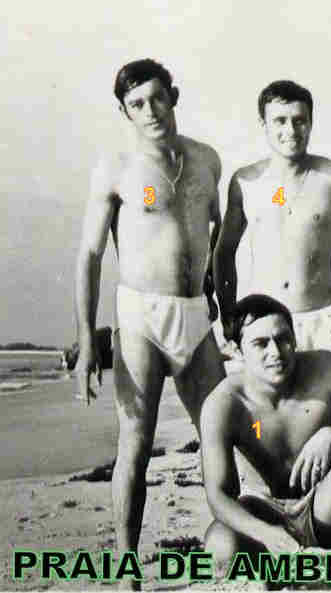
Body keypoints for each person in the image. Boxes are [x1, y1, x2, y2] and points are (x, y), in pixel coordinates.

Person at [74, 59, 226, 587]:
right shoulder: (116, 167)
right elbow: (90, 255)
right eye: (136, 104)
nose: (150, 110)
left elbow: (217, 238)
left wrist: (221, 298)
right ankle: (126, 567)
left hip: (195, 314)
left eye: (158, 98)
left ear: (173, 97)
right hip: (140, 315)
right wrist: (86, 342)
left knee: (221, 432)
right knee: (135, 444)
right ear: (125, 112)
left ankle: (229, 546)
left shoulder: (207, 160)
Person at [200, 295, 331, 587]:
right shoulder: (223, 403)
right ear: (237, 351)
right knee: (218, 548)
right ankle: (279, 574)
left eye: (283, 339)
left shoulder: (323, 367)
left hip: (325, 509)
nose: (276, 352)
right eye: (261, 343)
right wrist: (265, 533)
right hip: (263, 511)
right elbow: (218, 496)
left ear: (295, 339)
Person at [214, 80, 331, 365]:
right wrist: (228, 315)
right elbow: (224, 252)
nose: (291, 130)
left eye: (299, 120)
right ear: (263, 123)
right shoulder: (246, 182)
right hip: (266, 323)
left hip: (325, 321)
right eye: (280, 121)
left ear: (311, 122)